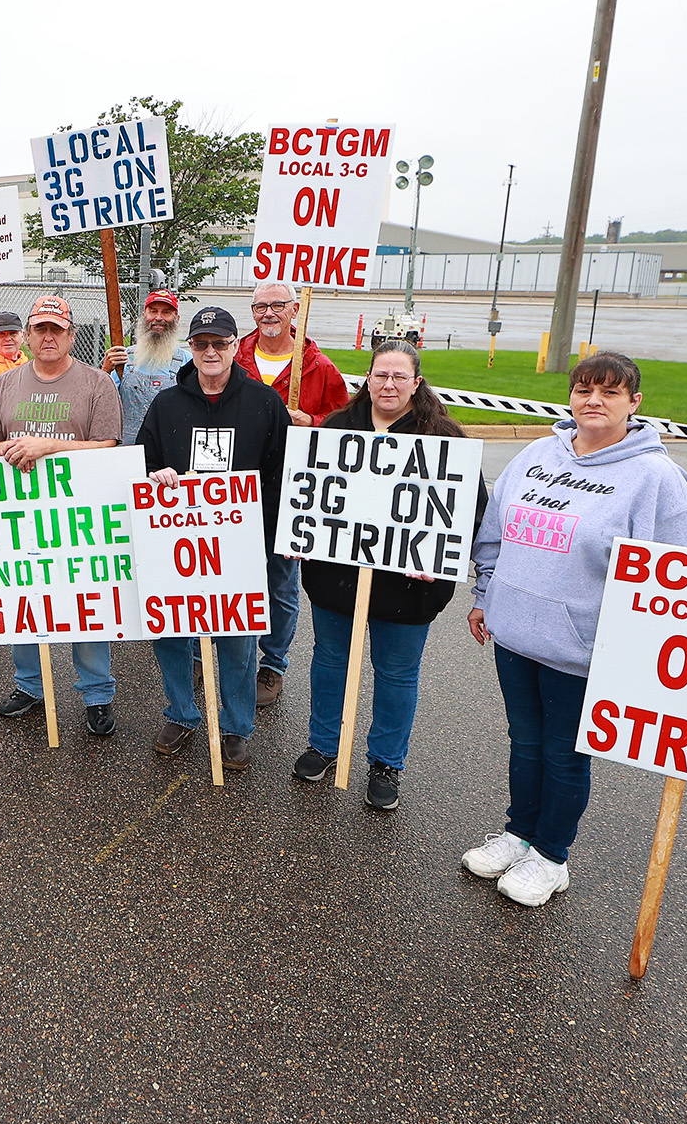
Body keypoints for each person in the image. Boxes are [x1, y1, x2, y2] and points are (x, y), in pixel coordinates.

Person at [462, 350, 687, 908]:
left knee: (564, 754)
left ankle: (551, 856)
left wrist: (643, 648)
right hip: (515, 631)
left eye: (610, 392)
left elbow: (676, 575)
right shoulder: (537, 454)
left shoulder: (655, 478)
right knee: (525, 743)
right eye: (584, 389)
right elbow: (495, 532)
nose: (594, 400)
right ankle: (519, 833)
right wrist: (484, 595)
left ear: (634, 403)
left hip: (583, 647)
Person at [290, 340, 487, 811]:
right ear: (368, 379)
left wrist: (441, 554)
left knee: (397, 674)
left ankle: (386, 762)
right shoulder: (337, 429)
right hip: (337, 579)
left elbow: (471, 509)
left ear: (417, 384)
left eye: (400, 376)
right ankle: (323, 744)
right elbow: (306, 492)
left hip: (408, 587)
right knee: (330, 661)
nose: (390, 384)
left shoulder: (446, 438)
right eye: (381, 375)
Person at [136, 308, 288, 770]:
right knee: (170, 633)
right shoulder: (167, 404)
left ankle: (237, 726)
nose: (209, 352)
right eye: (201, 343)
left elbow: (282, 474)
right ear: (192, 347)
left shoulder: (263, 402)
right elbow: (142, 462)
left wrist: (273, 538)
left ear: (235, 346)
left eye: (219, 343)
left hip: (241, 546)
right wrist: (155, 474)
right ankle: (181, 713)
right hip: (175, 544)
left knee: (239, 640)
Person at [0, 295, 124, 735]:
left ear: (71, 335)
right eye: (39, 329)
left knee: (86, 601)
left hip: (80, 516)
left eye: (56, 329)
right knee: (25, 598)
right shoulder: (5, 384)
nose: (47, 337)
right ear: (28, 335)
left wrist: (49, 446)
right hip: (21, 515)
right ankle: (30, 685)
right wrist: (12, 449)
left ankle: (97, 693)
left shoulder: (98, 384)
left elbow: (108, 448)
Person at [234, 280, 351, 710]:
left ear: (294, 309)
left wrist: (314, 422)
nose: (268, 313)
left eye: (277, 305)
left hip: (288, 490)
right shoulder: (235, 356)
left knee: (280, 582)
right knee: (228, 573)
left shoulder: (318, 367)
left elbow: (346, 424)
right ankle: (227, 656)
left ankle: (273, 663)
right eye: (260, 306)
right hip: (234, 489)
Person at [102, 289, 190, 446]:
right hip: (127, 450)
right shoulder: (123, 358)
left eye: (166, 312)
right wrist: (105, 371)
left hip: (169, 449)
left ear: (177, 318)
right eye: (153, 311)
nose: (158, 318)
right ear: (144, 315)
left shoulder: (186, 361)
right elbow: (100, 403)